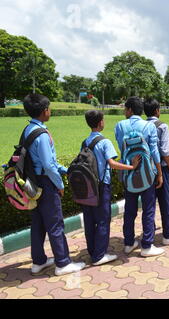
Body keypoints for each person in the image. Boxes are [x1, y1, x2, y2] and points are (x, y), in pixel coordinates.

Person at [23, 94, 86, 276]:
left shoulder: (28, 129)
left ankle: (39, 261)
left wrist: (65, 169)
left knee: (38, 224)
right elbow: (49, 165)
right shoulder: (42, 135)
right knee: (55, 224)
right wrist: (60, 184)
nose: (50, 111)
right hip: (46, 183)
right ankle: (63, 263)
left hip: (33, 183)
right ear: (44, 111)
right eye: (49, 108)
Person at [82, 110, 141, 266]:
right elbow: (112, 163)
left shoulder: (85, 141)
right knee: (102, 219)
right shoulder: (104, 142)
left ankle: (92, 251)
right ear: (101, 122)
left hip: (88, 186)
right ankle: (99, 255)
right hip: (101, 185)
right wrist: (131, 166)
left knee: (90, 219)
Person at [115, 97, 164, 257]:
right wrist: (159, 173)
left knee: (130, 210)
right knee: (148, 210)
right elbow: (155, 151)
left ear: (129, 110)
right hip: (147, 174)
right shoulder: (149, 126)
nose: (124, 111)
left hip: (129, 172)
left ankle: (129, 243)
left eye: (125, 109)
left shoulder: (120, 125)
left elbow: (121, 148)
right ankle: (147, 245)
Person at [144, 98, 169, 246]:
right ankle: (168, 234)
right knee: (165, 202)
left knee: (149, 204)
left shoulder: (143, 125)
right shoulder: (163, 126)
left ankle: (148, 233)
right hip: (162, 168)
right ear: (157, 111)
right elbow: (164, 151)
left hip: (146, 169)